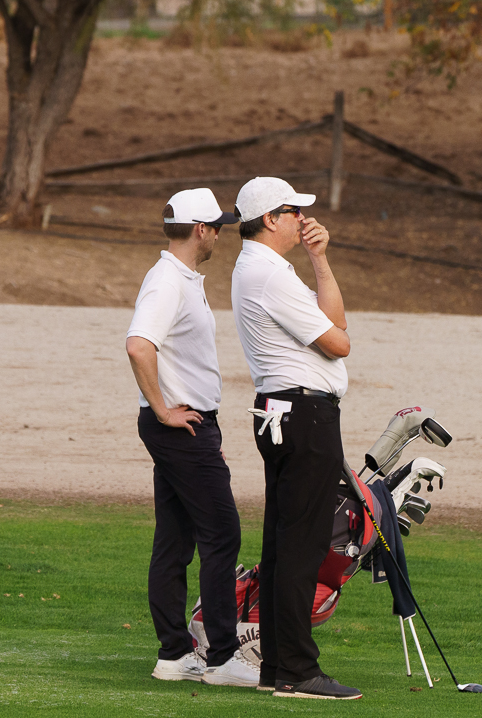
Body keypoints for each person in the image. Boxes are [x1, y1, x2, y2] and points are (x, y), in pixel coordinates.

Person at [230, 177, 360, 700]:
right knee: (301, 547)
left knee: (286, 545)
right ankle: (297, 671)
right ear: (270, 219)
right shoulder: (267, 273)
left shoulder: (265, 268)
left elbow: (336, 320)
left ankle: (277, 666)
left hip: (285, 413)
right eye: (293, 210)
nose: (302, 218)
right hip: (303, 415)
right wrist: (336, 335)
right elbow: (339, 342)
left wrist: (320, 260)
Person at [125, 188, 259, 688]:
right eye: (217, 226)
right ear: (201, 229)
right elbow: (139, 346)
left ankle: (175, 654)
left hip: (187, 426)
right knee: (222, 534)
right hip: (178, 425)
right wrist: (164, 409)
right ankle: (222, 659)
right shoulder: (169, 282)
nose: (220, 234)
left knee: (175, 539)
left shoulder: (178, 278)